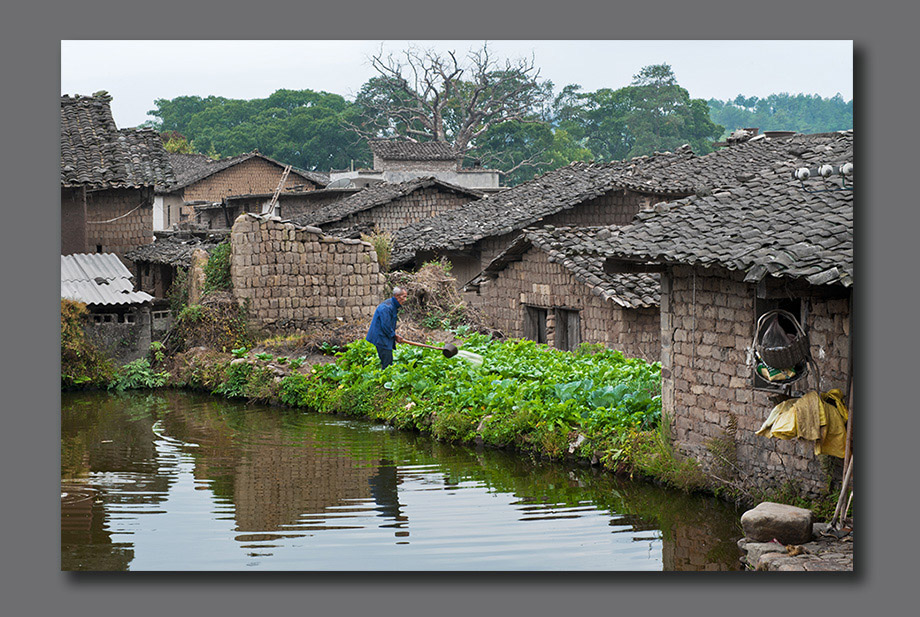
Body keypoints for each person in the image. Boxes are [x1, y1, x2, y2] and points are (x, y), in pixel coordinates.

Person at [366, 287, 407, 369]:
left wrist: (394, 335)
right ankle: (385, 380)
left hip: (384, 337)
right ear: (397, 296)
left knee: (387, 361)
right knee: (387, 363)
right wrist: (394, 336)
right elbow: (385, 326)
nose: (405, 299)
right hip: (381, 338)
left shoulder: (393, 305)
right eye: (404, 297)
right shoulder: (386, 308)